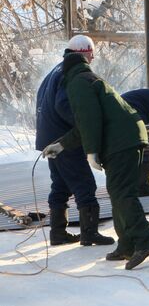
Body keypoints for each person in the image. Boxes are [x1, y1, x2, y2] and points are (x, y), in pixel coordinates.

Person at [42, 50, 149, 270]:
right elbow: (84, 125)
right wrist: (60, 145)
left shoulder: (77, 83)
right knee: (117, 193)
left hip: (122, 142)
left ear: (66, 70)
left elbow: (89, 121)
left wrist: (91, 152)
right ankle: (126, 245)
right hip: (126, 138)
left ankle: (146, 241)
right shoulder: (89, 78)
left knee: (123, 193)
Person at [35, 35, 114, 247]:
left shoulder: (56, 70)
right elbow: (64, 105)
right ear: (85, 53)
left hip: (49, 137)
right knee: (84, 183)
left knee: (60, 184)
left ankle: (58, 233)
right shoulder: (69, 74)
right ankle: (90, 234)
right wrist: (83, 126)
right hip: (63, 139)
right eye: (91, 56)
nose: (92, 60)